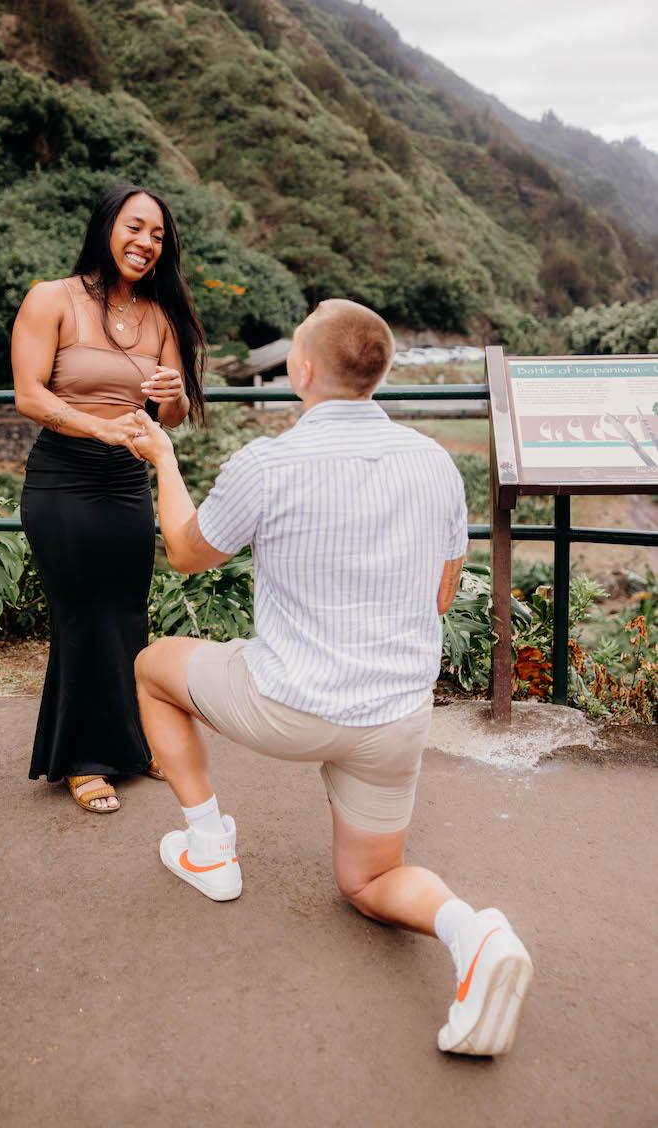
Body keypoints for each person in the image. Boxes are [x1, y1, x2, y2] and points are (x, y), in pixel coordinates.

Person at [131, 299, 533, 1057]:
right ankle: (471, 931)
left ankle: (208, 847)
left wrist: (163, 457)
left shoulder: (267, 463)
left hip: (288, 704)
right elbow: (442, 596)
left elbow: (185, 552)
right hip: (395, 718)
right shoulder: (435, 463)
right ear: (376, 373)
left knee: (153, 668)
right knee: (371, 882)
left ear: (303, 368)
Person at [11, 184, 206, 813]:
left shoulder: (160, 316)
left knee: (126, 612)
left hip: (126, 483)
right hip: (63, 478)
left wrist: (172, 391)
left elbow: (169, 416)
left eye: (158, 236)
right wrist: (98, 426)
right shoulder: (52, 299)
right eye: (135, 227)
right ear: (106, 228)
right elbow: (29, 395)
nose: (147, 243)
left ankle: (132, 740)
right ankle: (82, 760)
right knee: (81, 613)